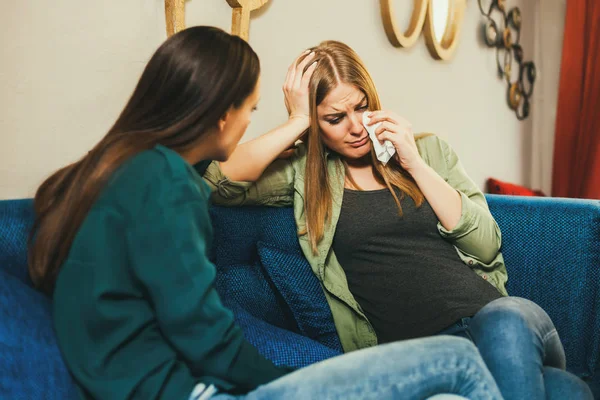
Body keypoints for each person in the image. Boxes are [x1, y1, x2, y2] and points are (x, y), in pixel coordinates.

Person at [27, 27, 504, 400]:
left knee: (533, 369)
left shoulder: (112, 173)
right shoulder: (167, 182)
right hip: (181, 388)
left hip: (156, 380)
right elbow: (205, 333)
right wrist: (283, 383)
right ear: (222, 116)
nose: (252, 121)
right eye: (251, 110)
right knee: (460, 363)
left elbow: (186, 325)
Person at [203, 40, 593, 400]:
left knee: (504, 324)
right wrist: (296, 121)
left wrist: (415, 164)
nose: (356, 126)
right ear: (315, 125)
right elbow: (218, 180)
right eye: (335, 118)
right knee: (565, 390)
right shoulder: (308, 175)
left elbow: (487, 242)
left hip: (502, 321)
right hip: (428, 354)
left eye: (361, 107)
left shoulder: (428, 150)